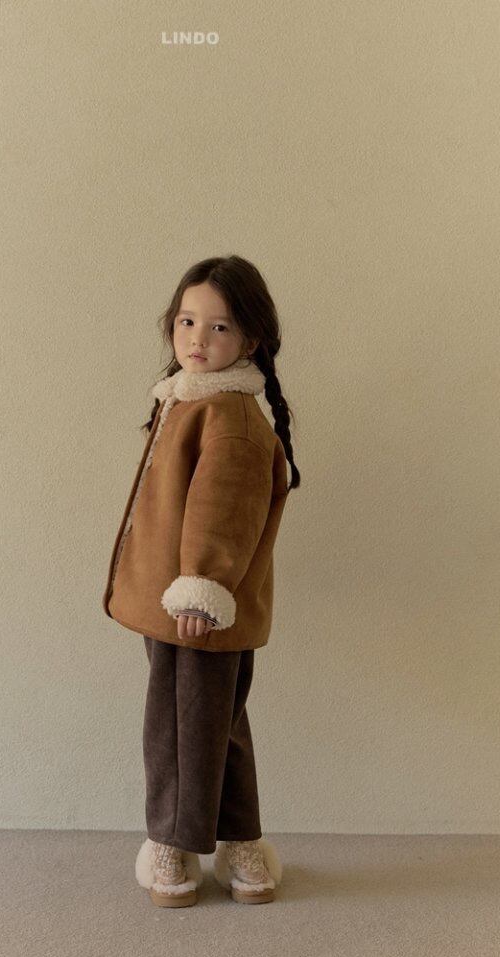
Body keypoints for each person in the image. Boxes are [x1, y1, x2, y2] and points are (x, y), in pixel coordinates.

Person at [102, 255, 300, 906]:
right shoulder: (192, 401)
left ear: (250, 339)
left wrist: (202, 588)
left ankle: (172, 847)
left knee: (178, 728)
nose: (197, 338)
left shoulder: (229, 417)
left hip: (194, 607)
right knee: (219, 726)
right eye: (187, 321)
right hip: (184, 602)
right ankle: (242, 846)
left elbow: (224, 512)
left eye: (219, 327)